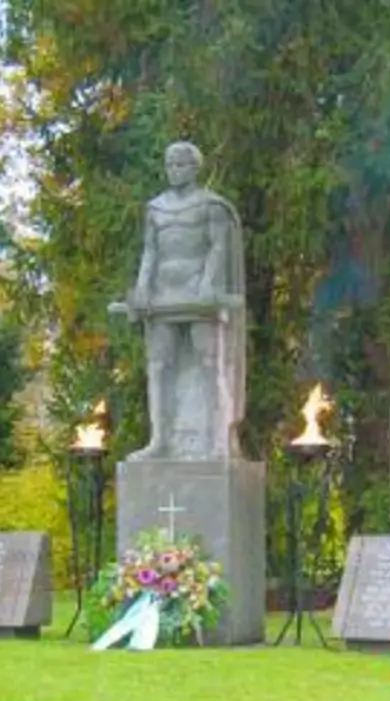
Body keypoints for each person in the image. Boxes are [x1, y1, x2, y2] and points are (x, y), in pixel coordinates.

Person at [108, 140, 248, 461]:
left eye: (181, 164)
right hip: (163, 298)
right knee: (158, 367)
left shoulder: (211, 206)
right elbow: (151, 251)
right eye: (170, 164)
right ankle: (160, 439)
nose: (174, 170)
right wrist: (142, 288)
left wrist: (208, 284)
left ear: (196, 167)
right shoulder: (155, 208)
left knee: (210, 364)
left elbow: (218, 247)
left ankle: (217, 440)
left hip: (198, 295)